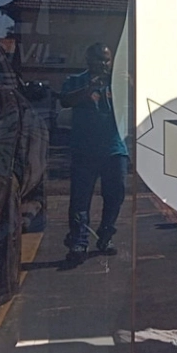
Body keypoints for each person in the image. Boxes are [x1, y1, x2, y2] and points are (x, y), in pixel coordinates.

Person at [60, 43, 128, 264]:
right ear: (88, 60)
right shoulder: (75, 80)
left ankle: (106, 235)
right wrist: (88, 89)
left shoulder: (118, 81)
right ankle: (79, 241)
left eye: (106, 59)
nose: (103, 64)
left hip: (115, 148)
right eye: (98, 59)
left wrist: (130, 84)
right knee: (80, 199)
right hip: (84, 150)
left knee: (116, 194)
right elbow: (65, 100)